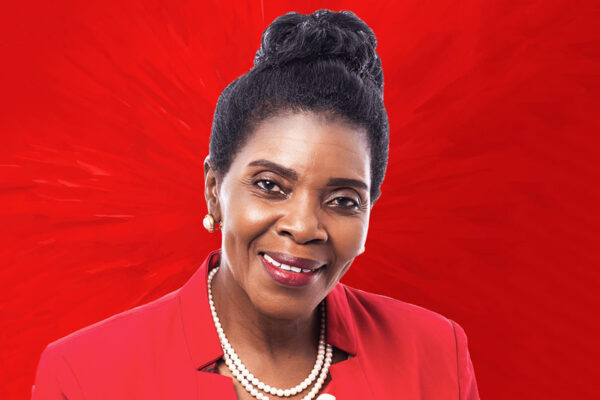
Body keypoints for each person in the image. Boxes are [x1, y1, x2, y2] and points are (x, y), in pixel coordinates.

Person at [31, 9, 479, 400]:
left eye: (343, 200)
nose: (303, 226)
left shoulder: (436, 353)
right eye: (270, 185)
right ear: (214, 189)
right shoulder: (84, 375)